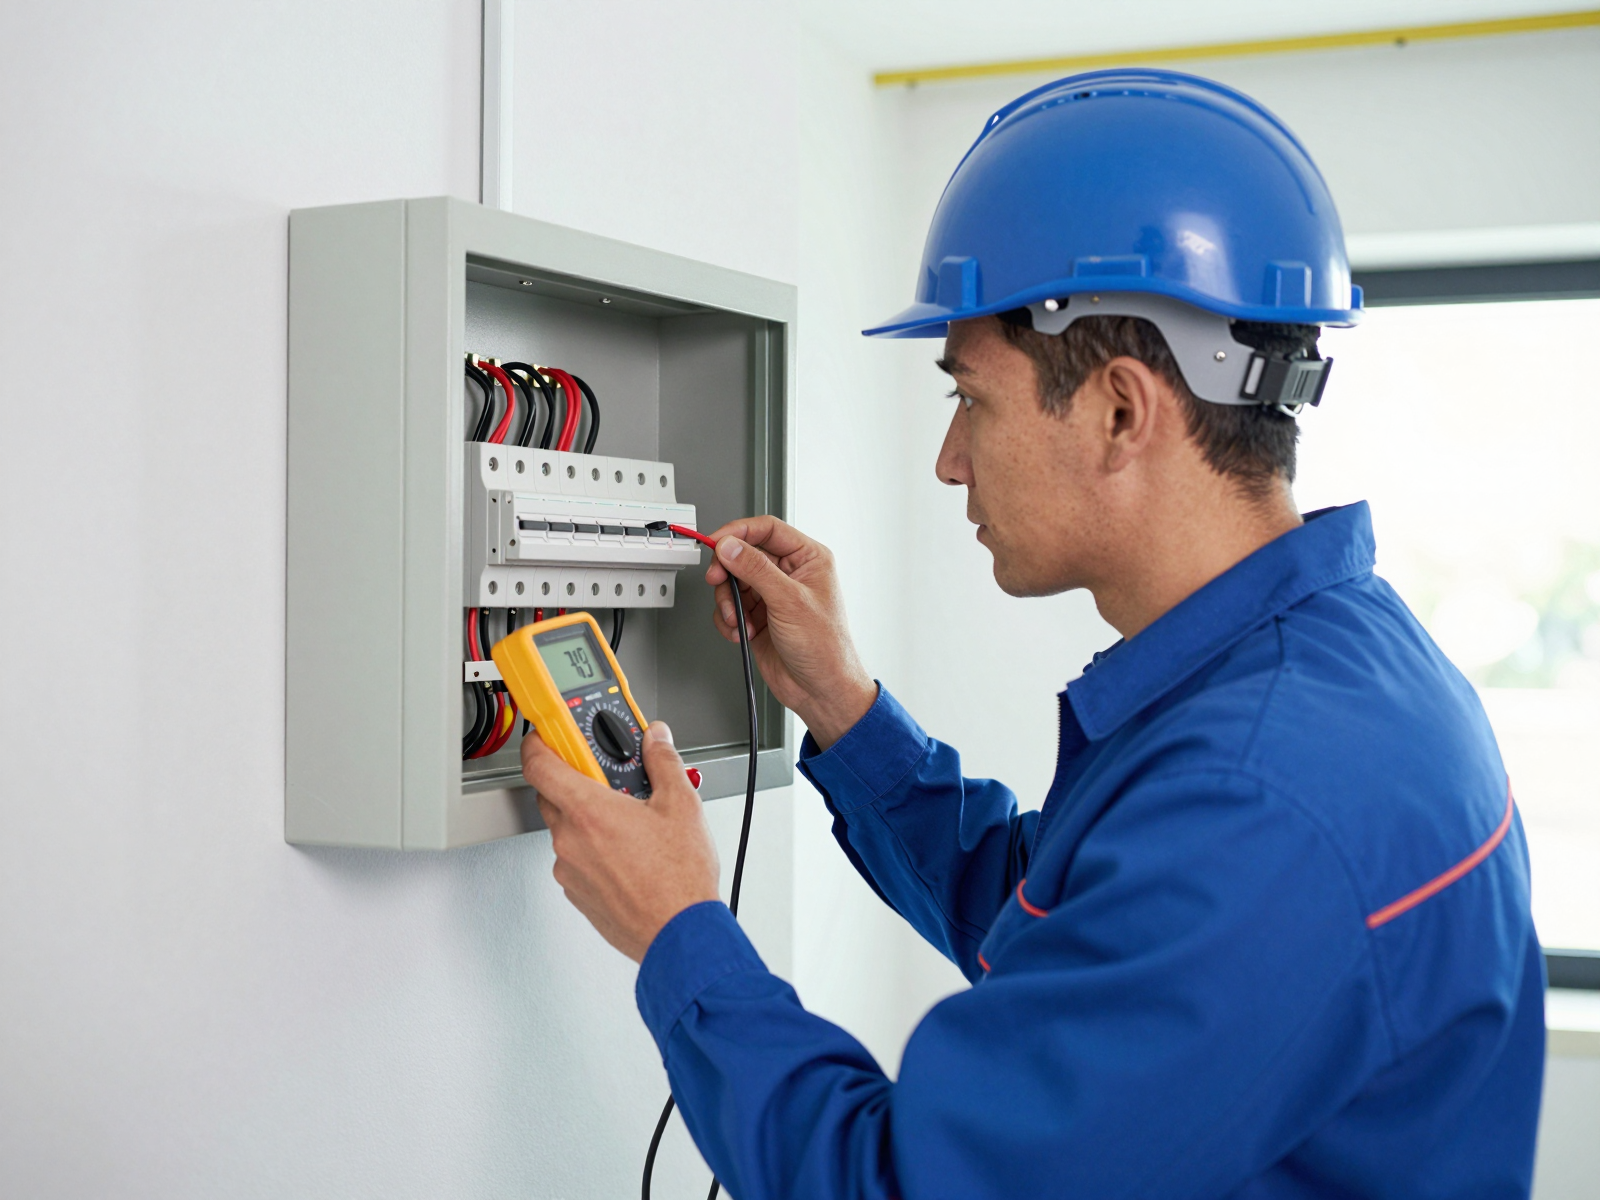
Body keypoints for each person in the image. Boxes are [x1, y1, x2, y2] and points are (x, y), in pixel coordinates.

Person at [520, 70, 1544, 1198]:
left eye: (970, 398)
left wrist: (678, 929)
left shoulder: (1260, 796)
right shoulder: (1328, 670)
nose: (948, 460)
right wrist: (845, 709)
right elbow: (1073, 930)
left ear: (1119, 410)